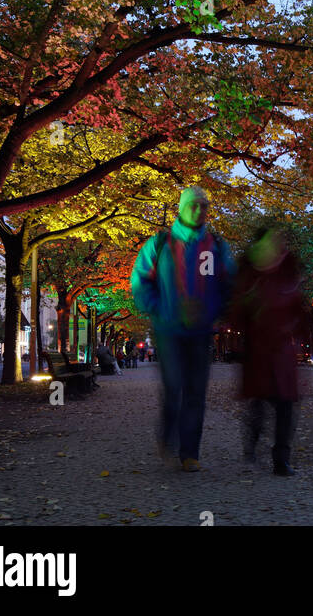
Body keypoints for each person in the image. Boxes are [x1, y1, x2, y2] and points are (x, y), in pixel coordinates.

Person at [131, 188, 236, 472]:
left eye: (204, 205)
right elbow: (140, 281)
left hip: (202, 332)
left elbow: (229, 283)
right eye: (194, 205)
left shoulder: (216, 246)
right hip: (169, 332)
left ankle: (190, 452)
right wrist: (159, 308)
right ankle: (168, 434)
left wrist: (214, 311)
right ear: (182, 208)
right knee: (174, 386)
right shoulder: (160, 244)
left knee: (196, 393)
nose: (200, 210)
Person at [230, 224, 312, 477]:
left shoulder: (288, 272)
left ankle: (281, 459)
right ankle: (252, 443)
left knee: (286, 405)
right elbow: (236, 313)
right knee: (259, 404)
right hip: (258, 352)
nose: (276, 244)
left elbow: (300, 309)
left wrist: (305, 334)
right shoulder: (249, 275)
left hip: (282, 354)